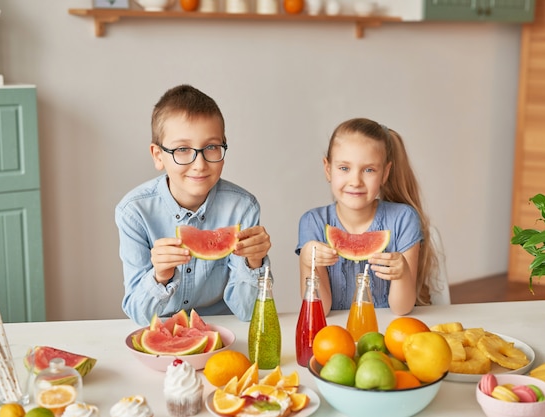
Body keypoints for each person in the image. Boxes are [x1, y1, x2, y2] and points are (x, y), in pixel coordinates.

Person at [115, 84, 272, 326]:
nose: (199, 164)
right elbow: (139, 315)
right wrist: (160, 277)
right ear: (158, 156)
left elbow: (248, 312)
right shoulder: (134, 212)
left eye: (211, 147)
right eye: (182, 150)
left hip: (222, 331)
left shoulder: (243, 208)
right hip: (164, 332)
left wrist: (254, 262)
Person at [296, 118, 438, 316]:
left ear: (385, 173)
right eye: (344, 168)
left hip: (386, 334)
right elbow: (321, 310)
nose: (355, 181)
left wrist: (402, 273)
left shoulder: (403, 219)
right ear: (328, 169)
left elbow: (402, 308)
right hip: (334, 336)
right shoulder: (313, 222)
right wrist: (307, 261)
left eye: (369, 170)